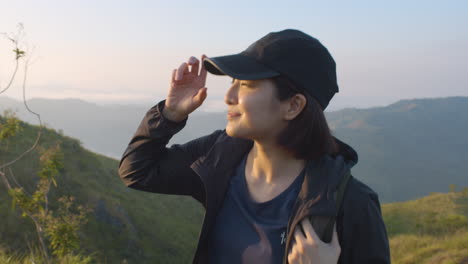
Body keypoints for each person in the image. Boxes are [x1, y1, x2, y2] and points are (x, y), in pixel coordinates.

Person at [118, 29, 390, 264]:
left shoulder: (350, 204)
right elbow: (138, 171)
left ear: (293, 105)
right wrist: (170, 113)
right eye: (232, 82)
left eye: (246, 84)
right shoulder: (219, 155)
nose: (228, 96)